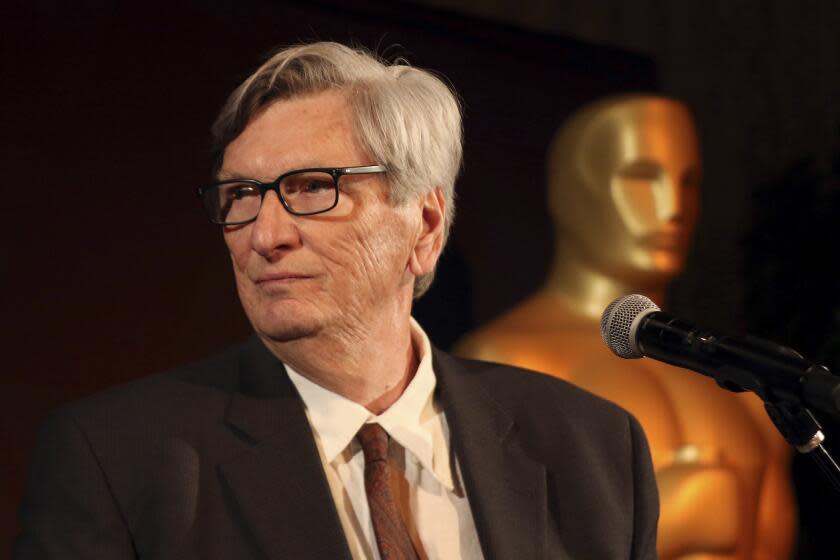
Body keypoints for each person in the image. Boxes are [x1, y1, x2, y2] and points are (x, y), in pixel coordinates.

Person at [16, 42, 658, 560]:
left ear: (425, 225)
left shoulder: (593, 447)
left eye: (312, 187)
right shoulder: (117, 457)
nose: (264, 235)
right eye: (240, 195)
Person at [456, 95, 795, 559]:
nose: (672, 206)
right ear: (570, 191)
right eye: (641, 177)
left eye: (688, 182)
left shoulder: (741, 383)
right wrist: (667, 520)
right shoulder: (507, 361)